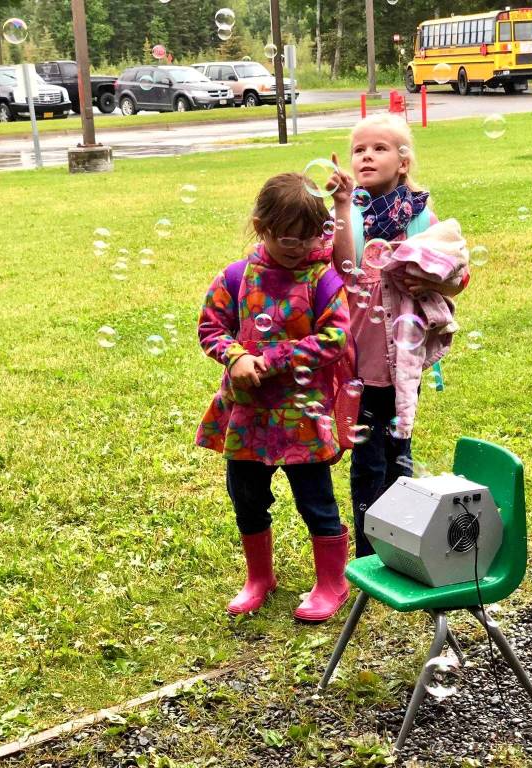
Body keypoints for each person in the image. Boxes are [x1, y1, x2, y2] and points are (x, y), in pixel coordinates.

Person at [196, 172, 353, 622]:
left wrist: (277, 356)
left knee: (315, 498)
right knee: (245, 494)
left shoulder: (322, 280)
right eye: (288, 239)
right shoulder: (235, 277)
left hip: (301, 412)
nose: (300, 248)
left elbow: (335, 338)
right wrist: (234, 355)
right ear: (260, 226)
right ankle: (259, 578)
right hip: (248, 411)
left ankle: (331, 582)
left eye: (309, 238)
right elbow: (210, 328)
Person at [329, 114, 470, 558]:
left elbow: (449, 269)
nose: (366, 156)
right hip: (360, 356)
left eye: (379, 148)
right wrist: (340, 206)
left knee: (398, 450)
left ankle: (399, 540)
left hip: (401, 354)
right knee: (366, 458)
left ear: (403, 162)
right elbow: (342, 266)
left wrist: (429, 282)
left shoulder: (420, 212)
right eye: (359, 150)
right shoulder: (350, 211)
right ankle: (370, 554)